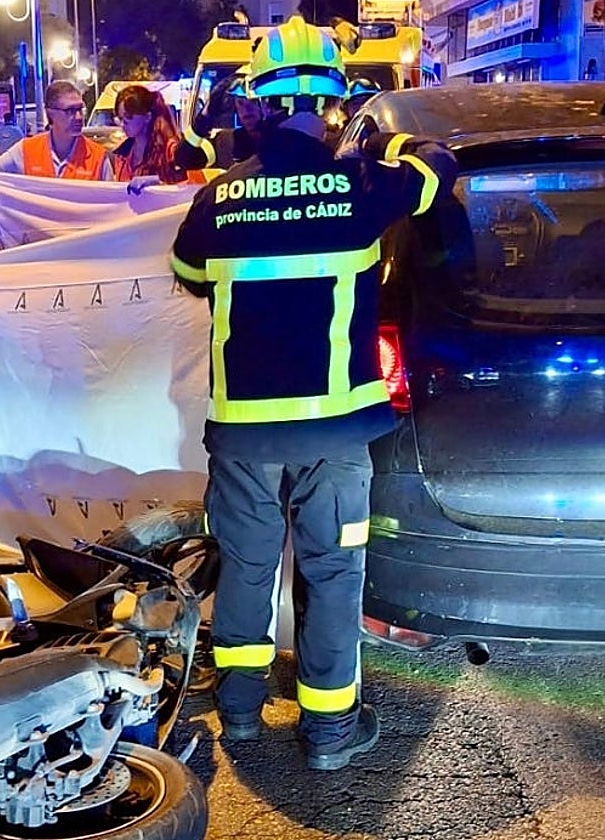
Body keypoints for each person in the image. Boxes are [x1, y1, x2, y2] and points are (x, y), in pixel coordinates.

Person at [169, 14, 457, 772]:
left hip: (243, 437)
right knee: (332, 575)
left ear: (255, 101)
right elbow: (439, 170)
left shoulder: (219, 197)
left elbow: (189, 274)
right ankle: (329, 735)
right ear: (335, 101)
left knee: (246, 567)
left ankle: (239, 716)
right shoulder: (363, 183)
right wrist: (386, 144)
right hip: (333, 436)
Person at [0, 81, 111, 180]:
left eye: (80, 109)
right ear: (50, 113)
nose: (79, 117)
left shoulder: (98, 157)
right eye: (70, 110)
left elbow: (112, 204)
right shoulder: (26, 149)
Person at [177, 66, 264, 172]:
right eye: (240, 102)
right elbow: (184, 160)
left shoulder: (283, 139)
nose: (246, 110)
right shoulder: (227, 142)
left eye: (253, 102)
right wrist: (204, 118)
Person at [110, 85, 185, 183]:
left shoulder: (170, 150)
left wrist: (157, 184)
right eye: (120, 118)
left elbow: (187, 187)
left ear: (147, 117)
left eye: (129, 117)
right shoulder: (122, 153)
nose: (123, 124)